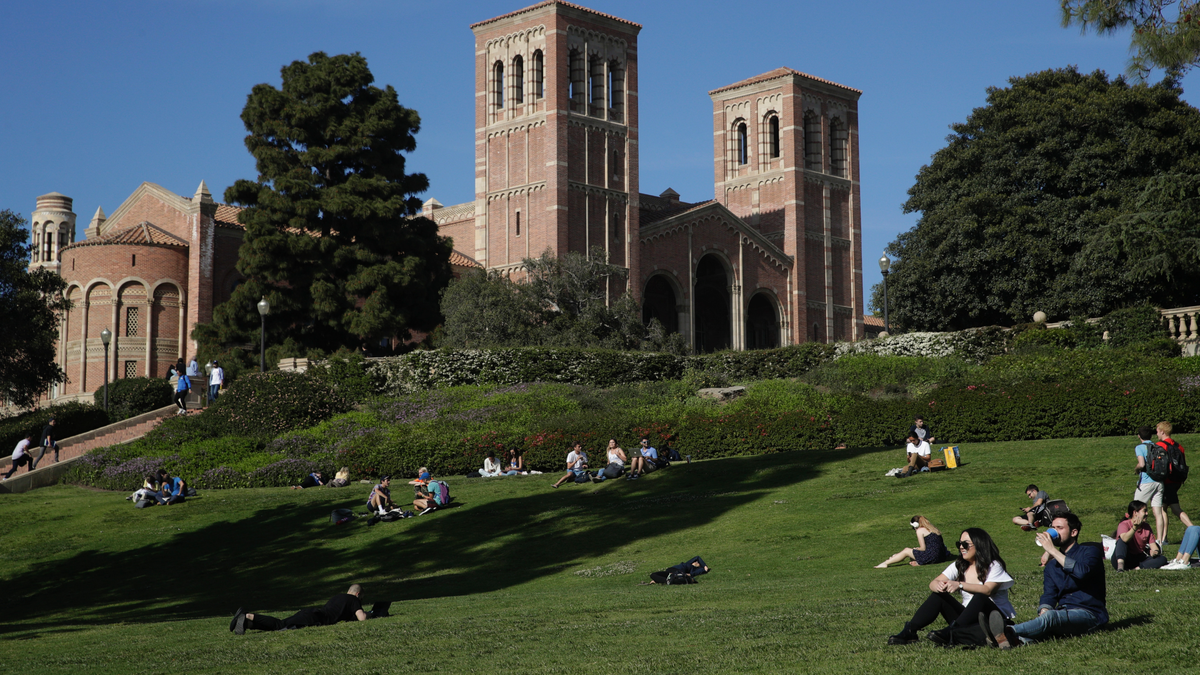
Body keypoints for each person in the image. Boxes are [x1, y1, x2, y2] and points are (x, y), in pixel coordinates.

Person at [981, 513, 1106, 649]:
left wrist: (1052, 550)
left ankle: (1007, 631)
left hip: (1090, 614)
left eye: (1059, 528)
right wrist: (1044, 609)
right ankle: (1012, 641)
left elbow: (1082, 572)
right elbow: (1049, 594)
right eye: (1052, 527)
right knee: (1047, 623)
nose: (1054, 531)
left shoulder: (1089, 551)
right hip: (1062, 614)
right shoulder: (1051, 566)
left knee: (1051, 618)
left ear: (1073, 532)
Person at [887, 528, 1016, 647]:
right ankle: (910, 631)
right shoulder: (959, 565)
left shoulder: (994, 565)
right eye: (959, 544)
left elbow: (988, 590)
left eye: (965, 544)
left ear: (979, 544)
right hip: (967, 620)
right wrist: (938, 585)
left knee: (980, 597)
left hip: (994, 619)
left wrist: (959, 584)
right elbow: (933, 582)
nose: (961, 547)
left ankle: (952, 632)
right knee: (938, 595)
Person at [231, 584, 367, 634]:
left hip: (311, 613)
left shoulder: (338, 597)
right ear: (357, 594)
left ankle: (247, 623)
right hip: (313, 618)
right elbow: (362, 618)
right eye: (361, 599)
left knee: (278, 627)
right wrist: (370, 615)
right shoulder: (354, 600)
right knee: (280, 625)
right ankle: (248, 615)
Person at [1155, 421, 1192, 545]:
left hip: (1167, 480)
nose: (1156, 433)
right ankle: (1164, 537)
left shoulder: (1161, 445)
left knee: (1175, 508)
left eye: (1157, 431)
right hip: (1177, 480)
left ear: (1163, 432)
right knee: (1163, 507)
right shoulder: (1178, 446)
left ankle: (1193, 529)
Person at [1133, 425, 1167, 546]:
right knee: (1158, 512)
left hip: (1146, 482)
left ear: (1139, 436)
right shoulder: (1157, 446)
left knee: (1135, 510)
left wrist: (1136, 469)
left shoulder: (1140, 447)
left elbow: (1141, 464)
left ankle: (1135, 537)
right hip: (1159, 482)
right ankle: (1160, 541)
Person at [876, 516, 950, 568]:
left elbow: (923, 548)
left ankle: (885, 563)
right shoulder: (934, 529)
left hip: (933, 557)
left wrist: (916, 549)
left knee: (906, 551)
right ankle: (917, 562)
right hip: (941, 557)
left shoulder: (920, 530)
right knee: (911, 554)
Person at [1112, 500, 1167, 571]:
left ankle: (1137, 568)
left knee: (1162, 559)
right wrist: (1134, 528)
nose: (1147, 513)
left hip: (1138, 558)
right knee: (1121, 541)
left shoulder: (1146, 527)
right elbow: (1125, 539)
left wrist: (1155, 552)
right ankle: (1120, 566)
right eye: (1144, 511)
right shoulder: (1124, 524)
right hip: (1124, 556)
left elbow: (1153, 545)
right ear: (1135, 512)